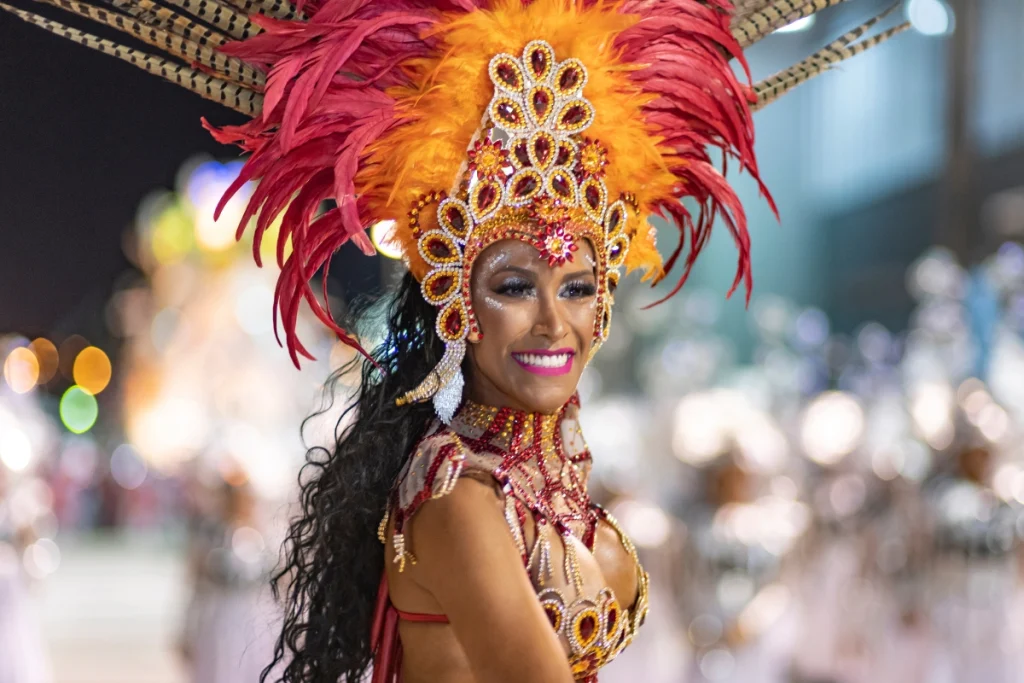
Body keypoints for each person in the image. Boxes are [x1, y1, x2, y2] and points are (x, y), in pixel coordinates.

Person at [3, 1, 910, 680]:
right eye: (515, 286)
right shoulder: (460, 498)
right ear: (458, 300)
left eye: (580, 285)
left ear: (606, 305)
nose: (553, 322)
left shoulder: (541, 473)